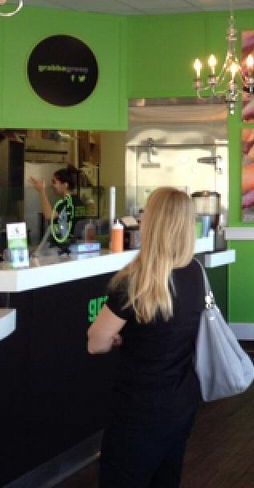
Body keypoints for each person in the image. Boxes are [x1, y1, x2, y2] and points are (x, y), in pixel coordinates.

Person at [87, 187, 204, 488]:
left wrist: (117, 337)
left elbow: (96, 342)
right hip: (181, 402)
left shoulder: (135, 282)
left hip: (137, 409)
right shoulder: (196, 273)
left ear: (152, 223)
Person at [29, 165, 85, 246]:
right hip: (76, 245)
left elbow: (48, 215)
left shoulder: (66, 203)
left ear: (65, 185)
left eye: (54, 182)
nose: (52, 185)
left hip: (65, 246)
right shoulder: (79, 201)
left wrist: (41, 191)